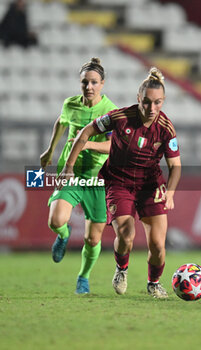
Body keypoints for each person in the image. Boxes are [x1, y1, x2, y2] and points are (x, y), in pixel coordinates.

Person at [58, 67, 181, 298]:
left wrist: (171, 193)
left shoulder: (166, 128)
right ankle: (121, 269)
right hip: (119, 183)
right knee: (126, 235)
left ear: (163, 101)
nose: (151, 108)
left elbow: (175, 166)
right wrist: (69, 167)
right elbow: (85, 132)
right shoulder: (120, 117)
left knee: (157, 246)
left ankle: (153, 283)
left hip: (150, 186)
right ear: (138, 99)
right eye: (146, 102)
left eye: (157, 103)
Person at [40, 57, 117, 294]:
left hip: (98, 179)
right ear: (80, 83)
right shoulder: (70, 105)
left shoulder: (111, 111)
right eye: (85, 82)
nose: (89, 87)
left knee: (93, 239)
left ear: (102, 83)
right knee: (55, 221)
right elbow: (60, 123)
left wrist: (87, 145)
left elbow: (113, 147)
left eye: (94, 82)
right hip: (70, 172)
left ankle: (83, 277)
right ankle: (63, 236)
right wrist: (50, 149)